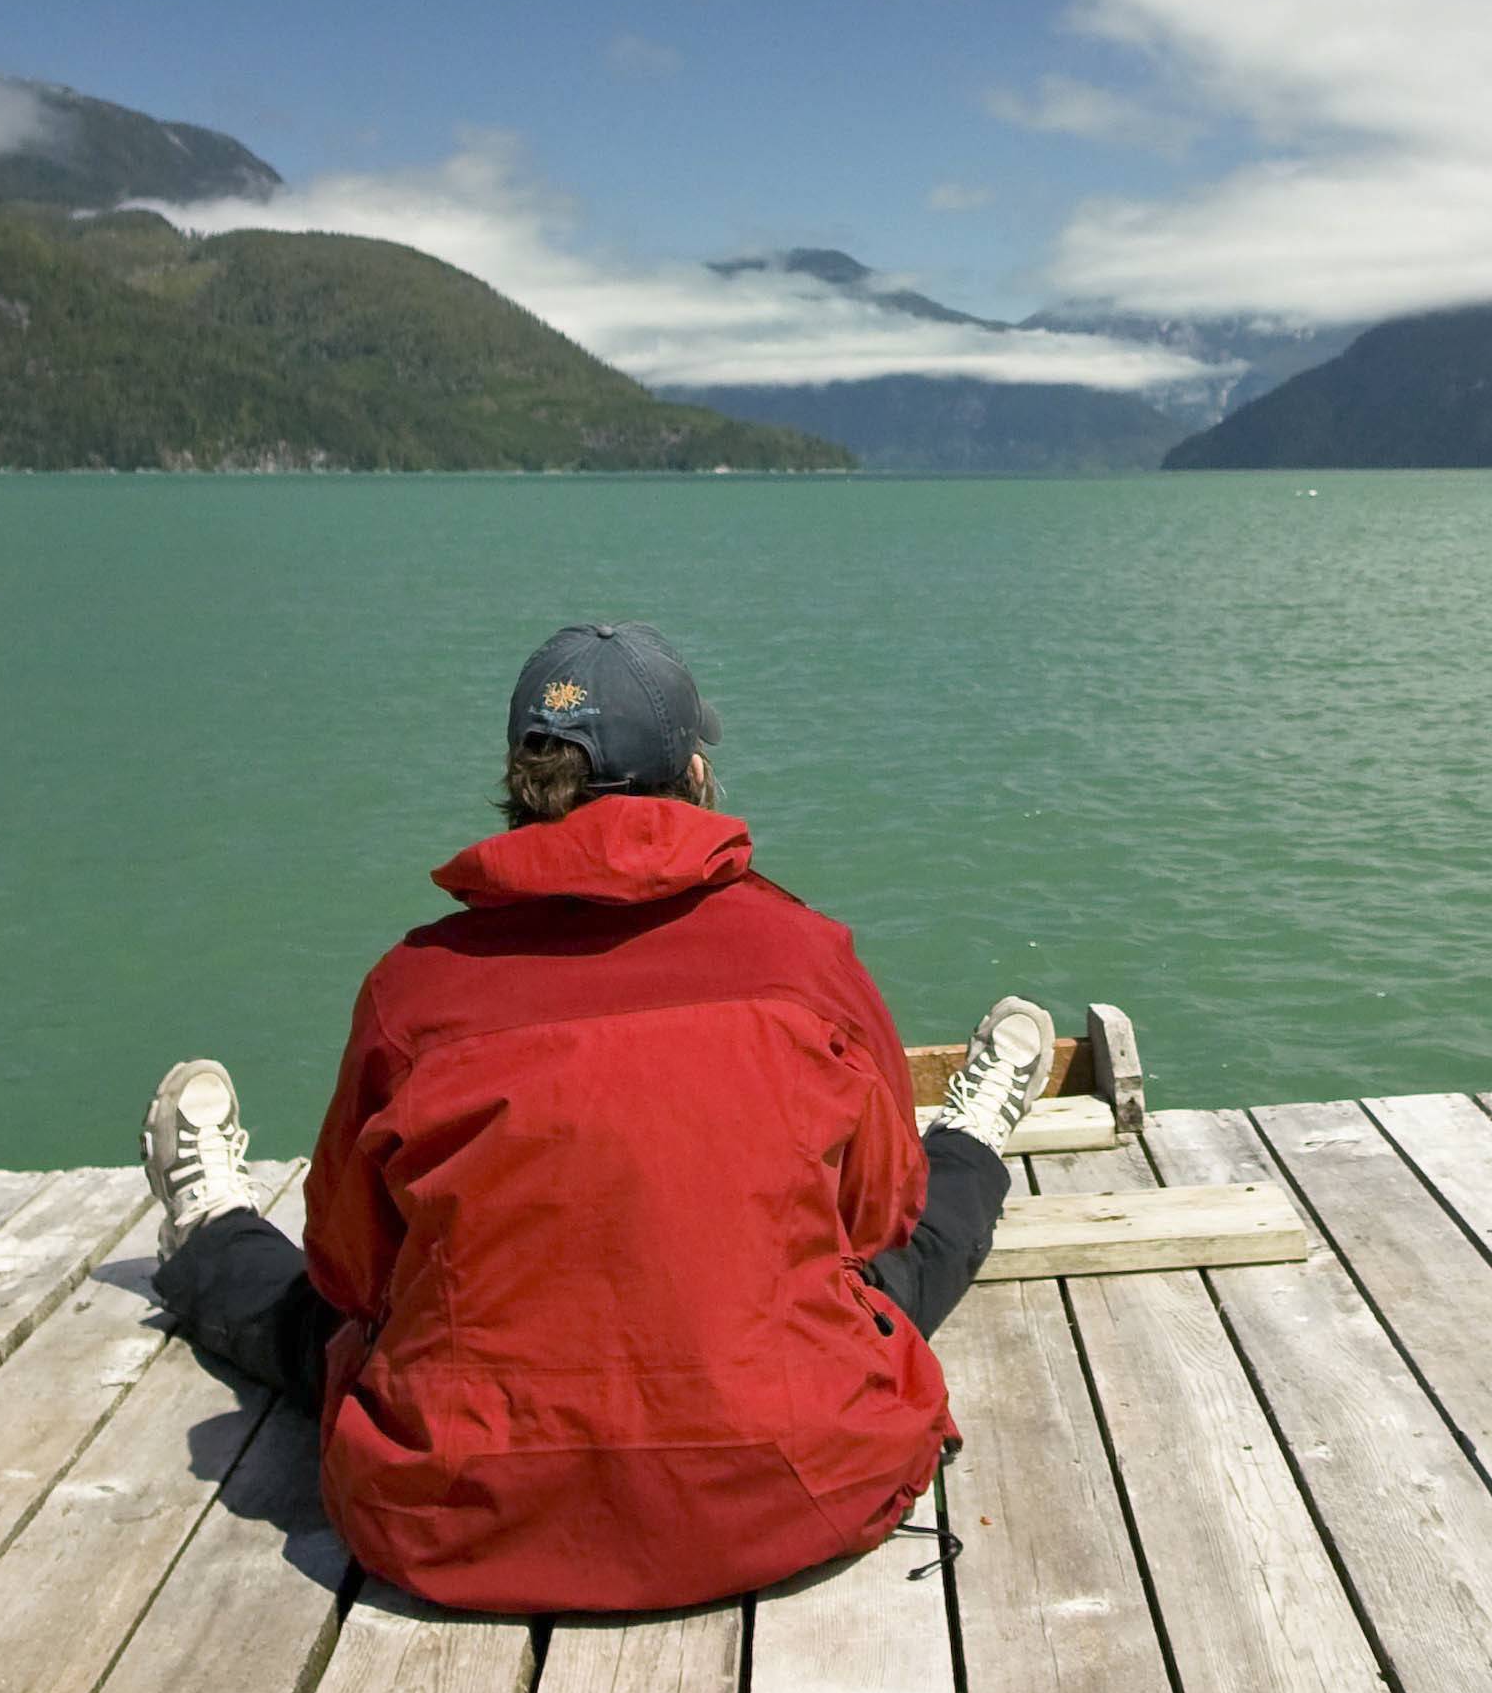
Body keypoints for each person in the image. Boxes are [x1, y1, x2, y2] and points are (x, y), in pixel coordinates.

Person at [140, 619, 1053, 1615]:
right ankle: (977, 1124)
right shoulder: (806, 960)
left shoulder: (414, 991)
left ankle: (208, 1218)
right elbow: (876, 1212)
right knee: (900, 1253)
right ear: (697, 776)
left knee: (317, 1325)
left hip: (463, 1516)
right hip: (793, 1489)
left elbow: (351, 1270)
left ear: (520, 788)